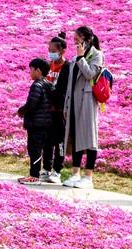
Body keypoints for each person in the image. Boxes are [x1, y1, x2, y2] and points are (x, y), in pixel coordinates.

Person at [57, 26, 103, 189]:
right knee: (75, 137)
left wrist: (81, 57)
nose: (75, 41)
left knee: (90, 140)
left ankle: (88, 176)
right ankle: (75, 173)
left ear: (86, 39)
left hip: (87, 102)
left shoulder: (96, 55)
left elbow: (90, 74)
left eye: (77, 39)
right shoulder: (75, 58)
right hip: (74, 102)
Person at [17, 58, 55, 184]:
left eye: (31, 70)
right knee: (42, 148)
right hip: (46, 123)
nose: (30, 72)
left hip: (36, 124)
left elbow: (32, 103)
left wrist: (22, 110)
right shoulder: (48, 84)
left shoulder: (37, 85)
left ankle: (34, 175)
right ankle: (41, 173)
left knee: (34, 149)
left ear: (38, 71)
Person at [45, 34, 69, 183]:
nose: (50, 52)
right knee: (47, 141)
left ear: (62, 51)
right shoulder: (49, 65)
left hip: (60, 111)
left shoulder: (67, 67)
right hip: (48, 109)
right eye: (49, 49)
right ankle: (46, 169)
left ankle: (57, 171)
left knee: (59, 141)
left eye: (53, 50)